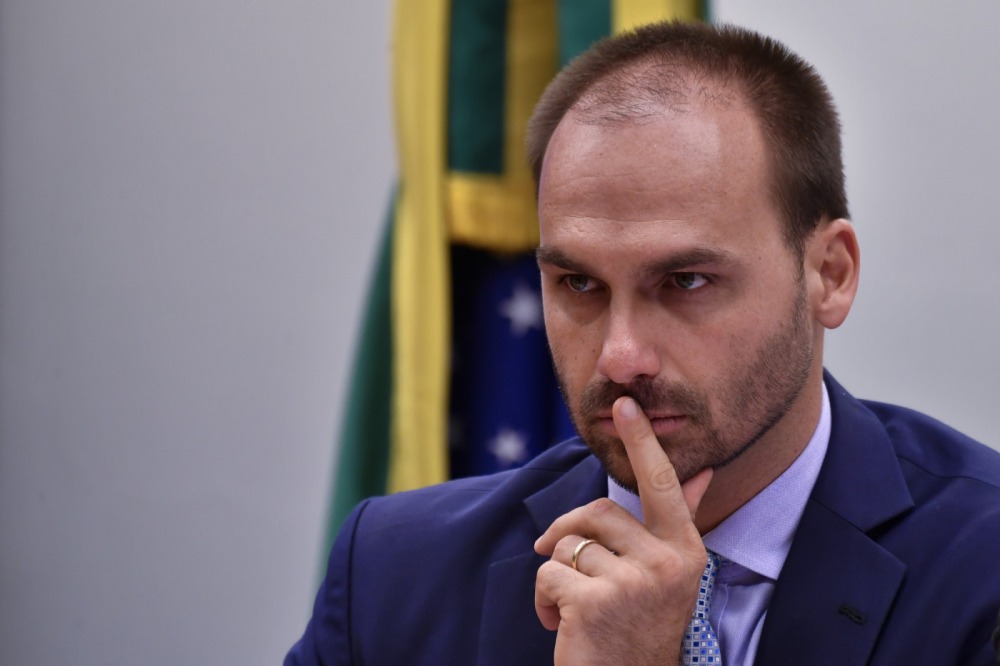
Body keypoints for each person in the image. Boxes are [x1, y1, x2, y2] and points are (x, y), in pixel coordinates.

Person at [286, 21, 1000, 665]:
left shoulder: (982, 570)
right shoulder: (394, 574)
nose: (620, 357)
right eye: (578, 284)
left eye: (686, 281)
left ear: (829, 275)